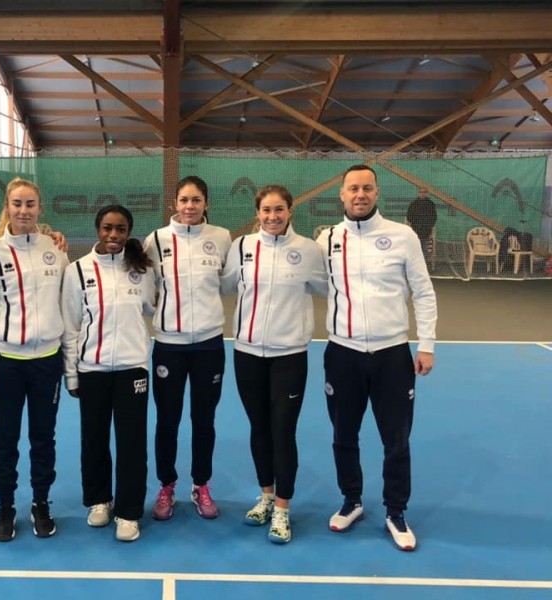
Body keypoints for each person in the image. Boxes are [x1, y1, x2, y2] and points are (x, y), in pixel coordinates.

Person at [315, 165, 437, 552]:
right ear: (342, 194)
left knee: (396, 440)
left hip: (392, 356)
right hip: (342, 354)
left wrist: (427, 343)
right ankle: (351, 501)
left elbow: (423, 291)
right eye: (353, 188)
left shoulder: (403, 236)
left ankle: (395, 512)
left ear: (377, 193)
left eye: (367, 188)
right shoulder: (326, 239)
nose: (360, 194)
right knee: (343, 435)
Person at [220, 184, 327, 544]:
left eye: (279, 209)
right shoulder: (243, 247)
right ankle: (265, 496)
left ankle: (282, 508)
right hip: (247, 353)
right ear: (257, 213)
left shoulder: (309, 251)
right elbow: (223, 286)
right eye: (266, 210)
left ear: (290, 210)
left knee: (283, 430)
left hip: (289, 356)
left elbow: (330, 288)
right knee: (259, 428)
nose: (272, 217)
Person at [0, 178, 68, 541]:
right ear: (8, 208)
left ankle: (41, 504)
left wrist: (67, 362)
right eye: (17, 204)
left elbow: (65, 305)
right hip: (6, 362)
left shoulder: (55, 250)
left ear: (40, 208)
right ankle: (6, 508)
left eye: (30, 204)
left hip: (47, 361)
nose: (24, 210)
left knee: (44, 438)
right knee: (5, 439)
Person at [61, 204, 156, 542]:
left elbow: (152, 308)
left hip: (132, 369)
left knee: (132, 443)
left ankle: (129, 512)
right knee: (94, 439)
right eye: (107, 228)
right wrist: (72, 375)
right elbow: (70, 325)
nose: (113, 235)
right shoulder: (77, 270)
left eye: (120, 229)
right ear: (97, 229)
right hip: (92, 369)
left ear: (128, 232)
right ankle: (99, 500)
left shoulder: (141, 270)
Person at [143, 175, 232, 521]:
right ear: (174, 204)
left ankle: (201, 484)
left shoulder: (222, 238)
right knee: (168, 419)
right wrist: (165, 318)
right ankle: (166, 485)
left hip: (210, 344)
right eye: (183, 200)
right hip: (169, 346)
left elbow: (226, 283)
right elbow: (146, 286)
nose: (189, 207)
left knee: (204, 419)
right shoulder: (156, 240)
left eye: (196, 200)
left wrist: (204, 315)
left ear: (206, 203)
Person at [405, 186, 437, 266]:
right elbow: (409, 216)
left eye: (424, 192)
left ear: (427, 194)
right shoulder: (414, 204)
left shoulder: (430, 204)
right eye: (421, 192)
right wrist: (414, 225)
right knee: (414, 249)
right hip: (415, 230)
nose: (422, 194)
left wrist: (428, 226)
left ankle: (422, 266)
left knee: (423, 249)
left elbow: (434, 217)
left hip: (426, 231)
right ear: (418, 193)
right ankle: (413, 265)